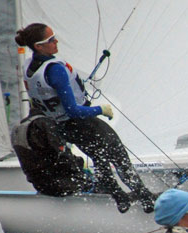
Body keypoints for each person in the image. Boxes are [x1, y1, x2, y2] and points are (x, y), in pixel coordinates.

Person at [14, 22, 156, 214]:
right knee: (119, 158)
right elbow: (73, 110)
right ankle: (147, 200)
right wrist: (100, 109)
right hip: (81, 123)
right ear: (38, 46)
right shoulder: (55, 70)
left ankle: (119, 198)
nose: (56, 41)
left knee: (100, 158)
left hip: (63, 126)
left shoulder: (29, 65)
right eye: (50, 40)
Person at [11, 113, 90, 197]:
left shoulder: (18, 127)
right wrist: (80, 163)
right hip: (59, 185)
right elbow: (64, 158)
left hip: (39, 185)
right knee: (91, 182)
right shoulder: (44, 123)